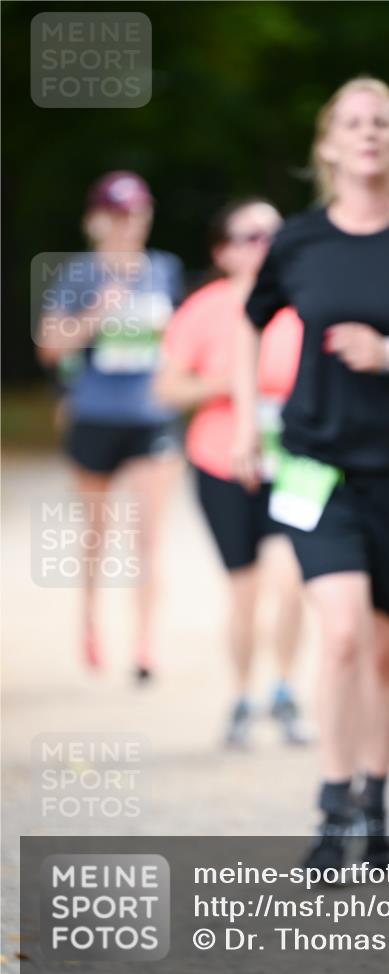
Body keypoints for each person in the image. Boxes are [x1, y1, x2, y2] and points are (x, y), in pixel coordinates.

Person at [232, 77, 389, 869]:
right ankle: (332, 803)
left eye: (382, 121)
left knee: (383, 649)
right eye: (351, 122)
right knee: (337, 634)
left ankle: (376, 794)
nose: (367, 133)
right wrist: (247, 422)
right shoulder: (299, 242)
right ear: (329, 144)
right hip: (316, 466)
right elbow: (249, 324)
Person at [157, 199, 307, 747]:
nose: (266, 246)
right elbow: (166, 388)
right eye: (251, 237)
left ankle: (286, 691)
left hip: (293, 465)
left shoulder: (304, 304)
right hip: (221, 465)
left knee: (290, 584)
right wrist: (227, 383)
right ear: (223, 252)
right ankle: (243, 697)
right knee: (244, 593)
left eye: (274, 233)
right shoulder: (204, 309)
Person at [37, 171, 185, 682]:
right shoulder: (79, 275)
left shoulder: (164, 269)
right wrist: (98, 313)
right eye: (118, 215)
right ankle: (91, 622)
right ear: (96, 221)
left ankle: (145, 645)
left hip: (151, 418)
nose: (129, 225)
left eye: (137, 214)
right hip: (96, 417)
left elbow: (179, 343)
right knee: (97, 533)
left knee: (148, 535)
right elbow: (50, 346)